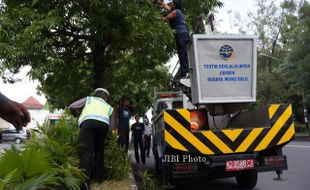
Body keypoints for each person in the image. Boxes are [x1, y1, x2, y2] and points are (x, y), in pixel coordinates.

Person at [69, 88, 113, 189]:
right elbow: (111, 126)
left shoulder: (89, 99)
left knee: (86, 152)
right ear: (105, 98)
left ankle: (84, 182)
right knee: (99, 151)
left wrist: (76, 115)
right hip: (103, 125)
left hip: (88, 123)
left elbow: (72, 106)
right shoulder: (109, 107)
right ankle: (99, 178)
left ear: (95, 95)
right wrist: (108, 134)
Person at [158, 0, 190, 78]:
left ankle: (186, 72)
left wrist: (154, 18)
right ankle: (184, 72)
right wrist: (161, 3)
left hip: (181, 34)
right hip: (180, 34)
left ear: (175, 5)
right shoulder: (176, 11)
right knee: (181, 54)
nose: (171, 4)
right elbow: (167, 7)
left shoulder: (176, 12)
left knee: (182, 54)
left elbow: (165, 18)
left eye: (172, 3)